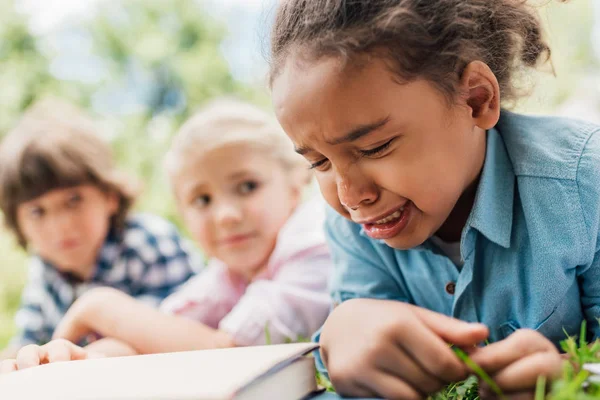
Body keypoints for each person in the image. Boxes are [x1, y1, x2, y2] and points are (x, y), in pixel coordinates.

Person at [267, 0, 599, 399]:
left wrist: (570, 371)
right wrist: (344, 331)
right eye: (319, 162)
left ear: (476, 100)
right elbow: (359, 342)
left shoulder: (582, 184)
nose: (351, 196)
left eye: (375, 147)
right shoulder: (351, 228)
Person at [0, 99, 333, 372]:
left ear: (296, 180)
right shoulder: (227, 274)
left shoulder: (313, 240)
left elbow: (236, 351)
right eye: (202, 200)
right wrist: (80, 359)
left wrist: (99, 307)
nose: (225, 215)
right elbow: (157, 336)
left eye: (247, 186)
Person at [0, 99, 196, 361]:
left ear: (109, 197)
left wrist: (80, 359)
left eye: (73, 200)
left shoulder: (148, 242)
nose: (60, 225)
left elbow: (177, 335)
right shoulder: (46, 269)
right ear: (18, 223)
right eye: (37, 211)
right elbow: (27, 341)